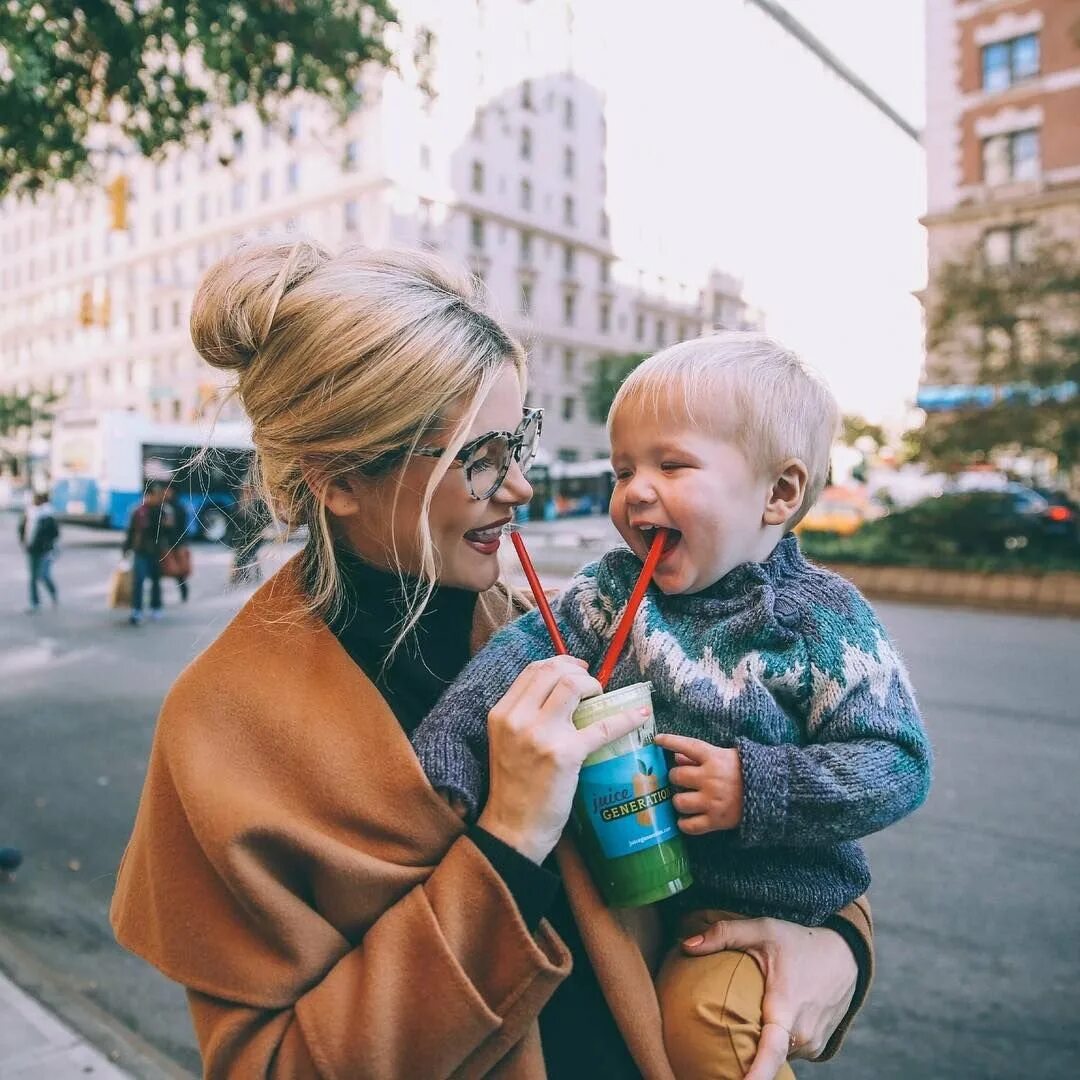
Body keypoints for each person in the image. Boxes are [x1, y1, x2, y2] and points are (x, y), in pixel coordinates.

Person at [111, 240, 872, 1079]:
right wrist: (509, 836)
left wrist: (835, 946)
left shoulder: (556, 629)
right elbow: (269, 1065)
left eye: (520, 442)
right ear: (338, 477)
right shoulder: (224, 726)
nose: (517, 487)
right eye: (479, 457)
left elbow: (767, 813)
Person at [414, 332, 932, 1079]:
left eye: (672, 465)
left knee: (705, 1029)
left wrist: (756, 789)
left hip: (764, 914)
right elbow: (507, 671)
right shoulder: (610, 593)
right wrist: (442, 776)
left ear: (779, 494)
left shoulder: (822, 622)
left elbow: (897, 763)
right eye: (626, 469)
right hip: (639, 902)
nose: (636, 490)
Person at [122, 481, 176, 625]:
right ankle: (136, 611)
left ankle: (156, 608)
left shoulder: (163, 511)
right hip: (140, 551)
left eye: (157, 495)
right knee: (138, 582)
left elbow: (169, 532)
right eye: (152, 495)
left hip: (157, 552)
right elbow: (131, 532)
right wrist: (125, 550)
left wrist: (168, 525)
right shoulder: (138, 511)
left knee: (156, 581)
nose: (155, 498)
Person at [18, 491, 60, 614]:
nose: (34, 501)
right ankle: (34, 603)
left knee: (43, 576)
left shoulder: (47, 515)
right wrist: (23, 541)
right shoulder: (29, 513)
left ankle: (53, 592)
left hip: (44, 550)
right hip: (31, 549)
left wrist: (47, 545)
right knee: (32, 577)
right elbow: (22, 528)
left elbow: (55, 533)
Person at [225, 481, 270, 586]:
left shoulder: (259, 503)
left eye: (249, 489)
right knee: (242, 556)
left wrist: (261, 530)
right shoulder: (239, 503)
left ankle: (250, 575)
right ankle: (243, 575)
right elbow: (233, 520)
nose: (247, 492)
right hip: (241, 535)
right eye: (245, 490)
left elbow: (265, 519)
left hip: (255, 535)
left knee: (250, 555)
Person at [164, 486, 192, 602]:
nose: (165, 493)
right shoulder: (165, 505)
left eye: (168, 491)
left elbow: (181, 526)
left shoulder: (177, 507)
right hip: (168, 542)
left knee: (179, 570)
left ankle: (184, 591)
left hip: (176, 542)